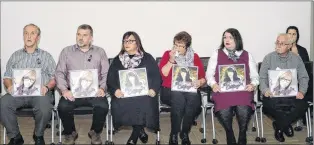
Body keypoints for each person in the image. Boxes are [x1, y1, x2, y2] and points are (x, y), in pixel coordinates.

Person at [0, 24, 56, 145]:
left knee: (44, 105)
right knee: (3, 103)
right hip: (18, 93)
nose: (29, 36)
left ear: (38, 37)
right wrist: (9, 86)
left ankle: (38, 135)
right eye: (26, 33)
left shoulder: (46, 56)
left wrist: (46, 87)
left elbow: (54, 78)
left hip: (39, 94)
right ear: (23, 36)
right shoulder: (15, 56)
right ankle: (16, 137)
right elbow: (7, 77)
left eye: (32, 33)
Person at [55, 24, 109, 145]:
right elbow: (59, 73)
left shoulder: (100, 52)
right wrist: (64, 90)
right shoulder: (66, 52)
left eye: (85, 35)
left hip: (94, 91)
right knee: (63, 107)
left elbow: (106, 73)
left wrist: (102, 88)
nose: (81, 38)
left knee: (103, 106)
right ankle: (70, 133)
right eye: (78, 34)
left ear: (91, 38)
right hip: (72, 92)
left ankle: (95, 132)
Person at [107, 31, 161, 145]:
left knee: (144, 102)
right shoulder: (118, 60)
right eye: (125, 41)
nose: (127, 43)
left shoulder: (147, 58)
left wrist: (153, 89)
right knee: (120, 103)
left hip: (144, 93)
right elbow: (110, 79)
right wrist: (115, 90)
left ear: (137, 43)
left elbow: (157, 76)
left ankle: (134, 135)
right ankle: (140, 130)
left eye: (131, 41)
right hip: (124, 93)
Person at [206, 28, 259, 145]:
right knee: (224, 106)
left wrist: (253, 84)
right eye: (225, 37)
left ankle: (242, 134)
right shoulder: (217, 53)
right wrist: (213, 84)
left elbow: (255, 76)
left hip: (243, 90)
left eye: (230, 37)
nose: (227, 40)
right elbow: (209, 75)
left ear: (237, 40)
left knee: (243, 105)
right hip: (222, 90)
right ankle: (229, 134)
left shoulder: (247, 55)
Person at [259, 33, 309, 142]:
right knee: (269, 106)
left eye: (282, 43)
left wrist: (302, 91)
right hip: (273, 94)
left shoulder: (296, 59)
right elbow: (262, 77)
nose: (278, 45)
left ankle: (279, 126)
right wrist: (265, 90)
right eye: (277, 42)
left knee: (303, 105)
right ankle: (285, 125)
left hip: (291, 94)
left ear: (289, 46)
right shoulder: (268, 58)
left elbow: (304, 77)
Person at [159, 31, 206, 145]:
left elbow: (203, 78)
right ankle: (174, 133)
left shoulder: (194, 57)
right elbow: (163, 74)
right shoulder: (168, 54)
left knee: (194, 101)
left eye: (181, 46)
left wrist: (200, 82)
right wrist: (171, 60)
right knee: (178, 98)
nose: (178, 48)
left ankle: (184, 132)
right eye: (176, 45)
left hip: (189, 90)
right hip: (169, 90)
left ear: (187, 47)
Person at [286, 25, 312, 124]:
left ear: (297, 36)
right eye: (289, 33)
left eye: (294, 34)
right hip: (287, 80)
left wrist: (297, 55)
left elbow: (306, 68)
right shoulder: (282, 48)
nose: (292, 36)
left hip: (300, 81)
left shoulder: (302, 50)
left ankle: (303, 115)